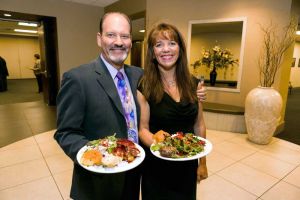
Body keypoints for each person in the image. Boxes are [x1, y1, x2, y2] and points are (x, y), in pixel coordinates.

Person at [54, 12, 143, 200]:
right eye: (111, 35)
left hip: (133, 174)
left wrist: (195, 90)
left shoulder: (139, 75)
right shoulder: (77, 79)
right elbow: (66, 133)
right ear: (99, 38)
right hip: (97, 183)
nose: (118, 42)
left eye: (125, 36)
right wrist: (99, 157)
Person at [137, 23, 208, 200]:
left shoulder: (194, 84)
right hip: (157, 165)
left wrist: (203, 163)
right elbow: (142, 129)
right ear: (152, 53)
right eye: (159, 45)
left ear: (180, 49)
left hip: (187, 165)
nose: (166, 49)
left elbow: (199, 124)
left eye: (172, 43)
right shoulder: (145, 86)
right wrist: (162, 147)